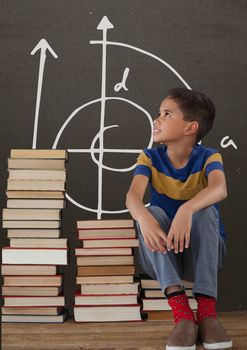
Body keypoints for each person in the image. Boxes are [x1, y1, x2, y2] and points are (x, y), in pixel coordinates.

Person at [126, 88, 233, 350]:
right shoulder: (149, 158)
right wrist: (145, 218)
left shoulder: (209, 157)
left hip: (203, 256)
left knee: (205, 210)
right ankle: (183, 314)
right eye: (158, 113)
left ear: (190, 127)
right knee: (152, 212)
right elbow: (132, 196)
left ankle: (207, 313)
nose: (157, 119)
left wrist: (187, 210)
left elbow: (220, 189)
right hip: (163, 256)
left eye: (166, 114)